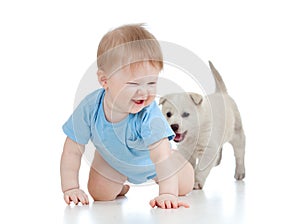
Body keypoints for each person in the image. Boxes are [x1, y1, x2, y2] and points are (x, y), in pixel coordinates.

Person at [60, 24, 194, 209]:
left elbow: (161, 158)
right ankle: (120, 186)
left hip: (154, 164)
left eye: (151, 82)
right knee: (100, 194)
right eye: (134, 83)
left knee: (184, 186)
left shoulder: (149, 116)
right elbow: (72, 150)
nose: (144, 92)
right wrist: (71, 188)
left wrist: (167, 194)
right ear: (104, 81)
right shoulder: (90, 108)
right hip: (113, 162)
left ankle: (178, 159)